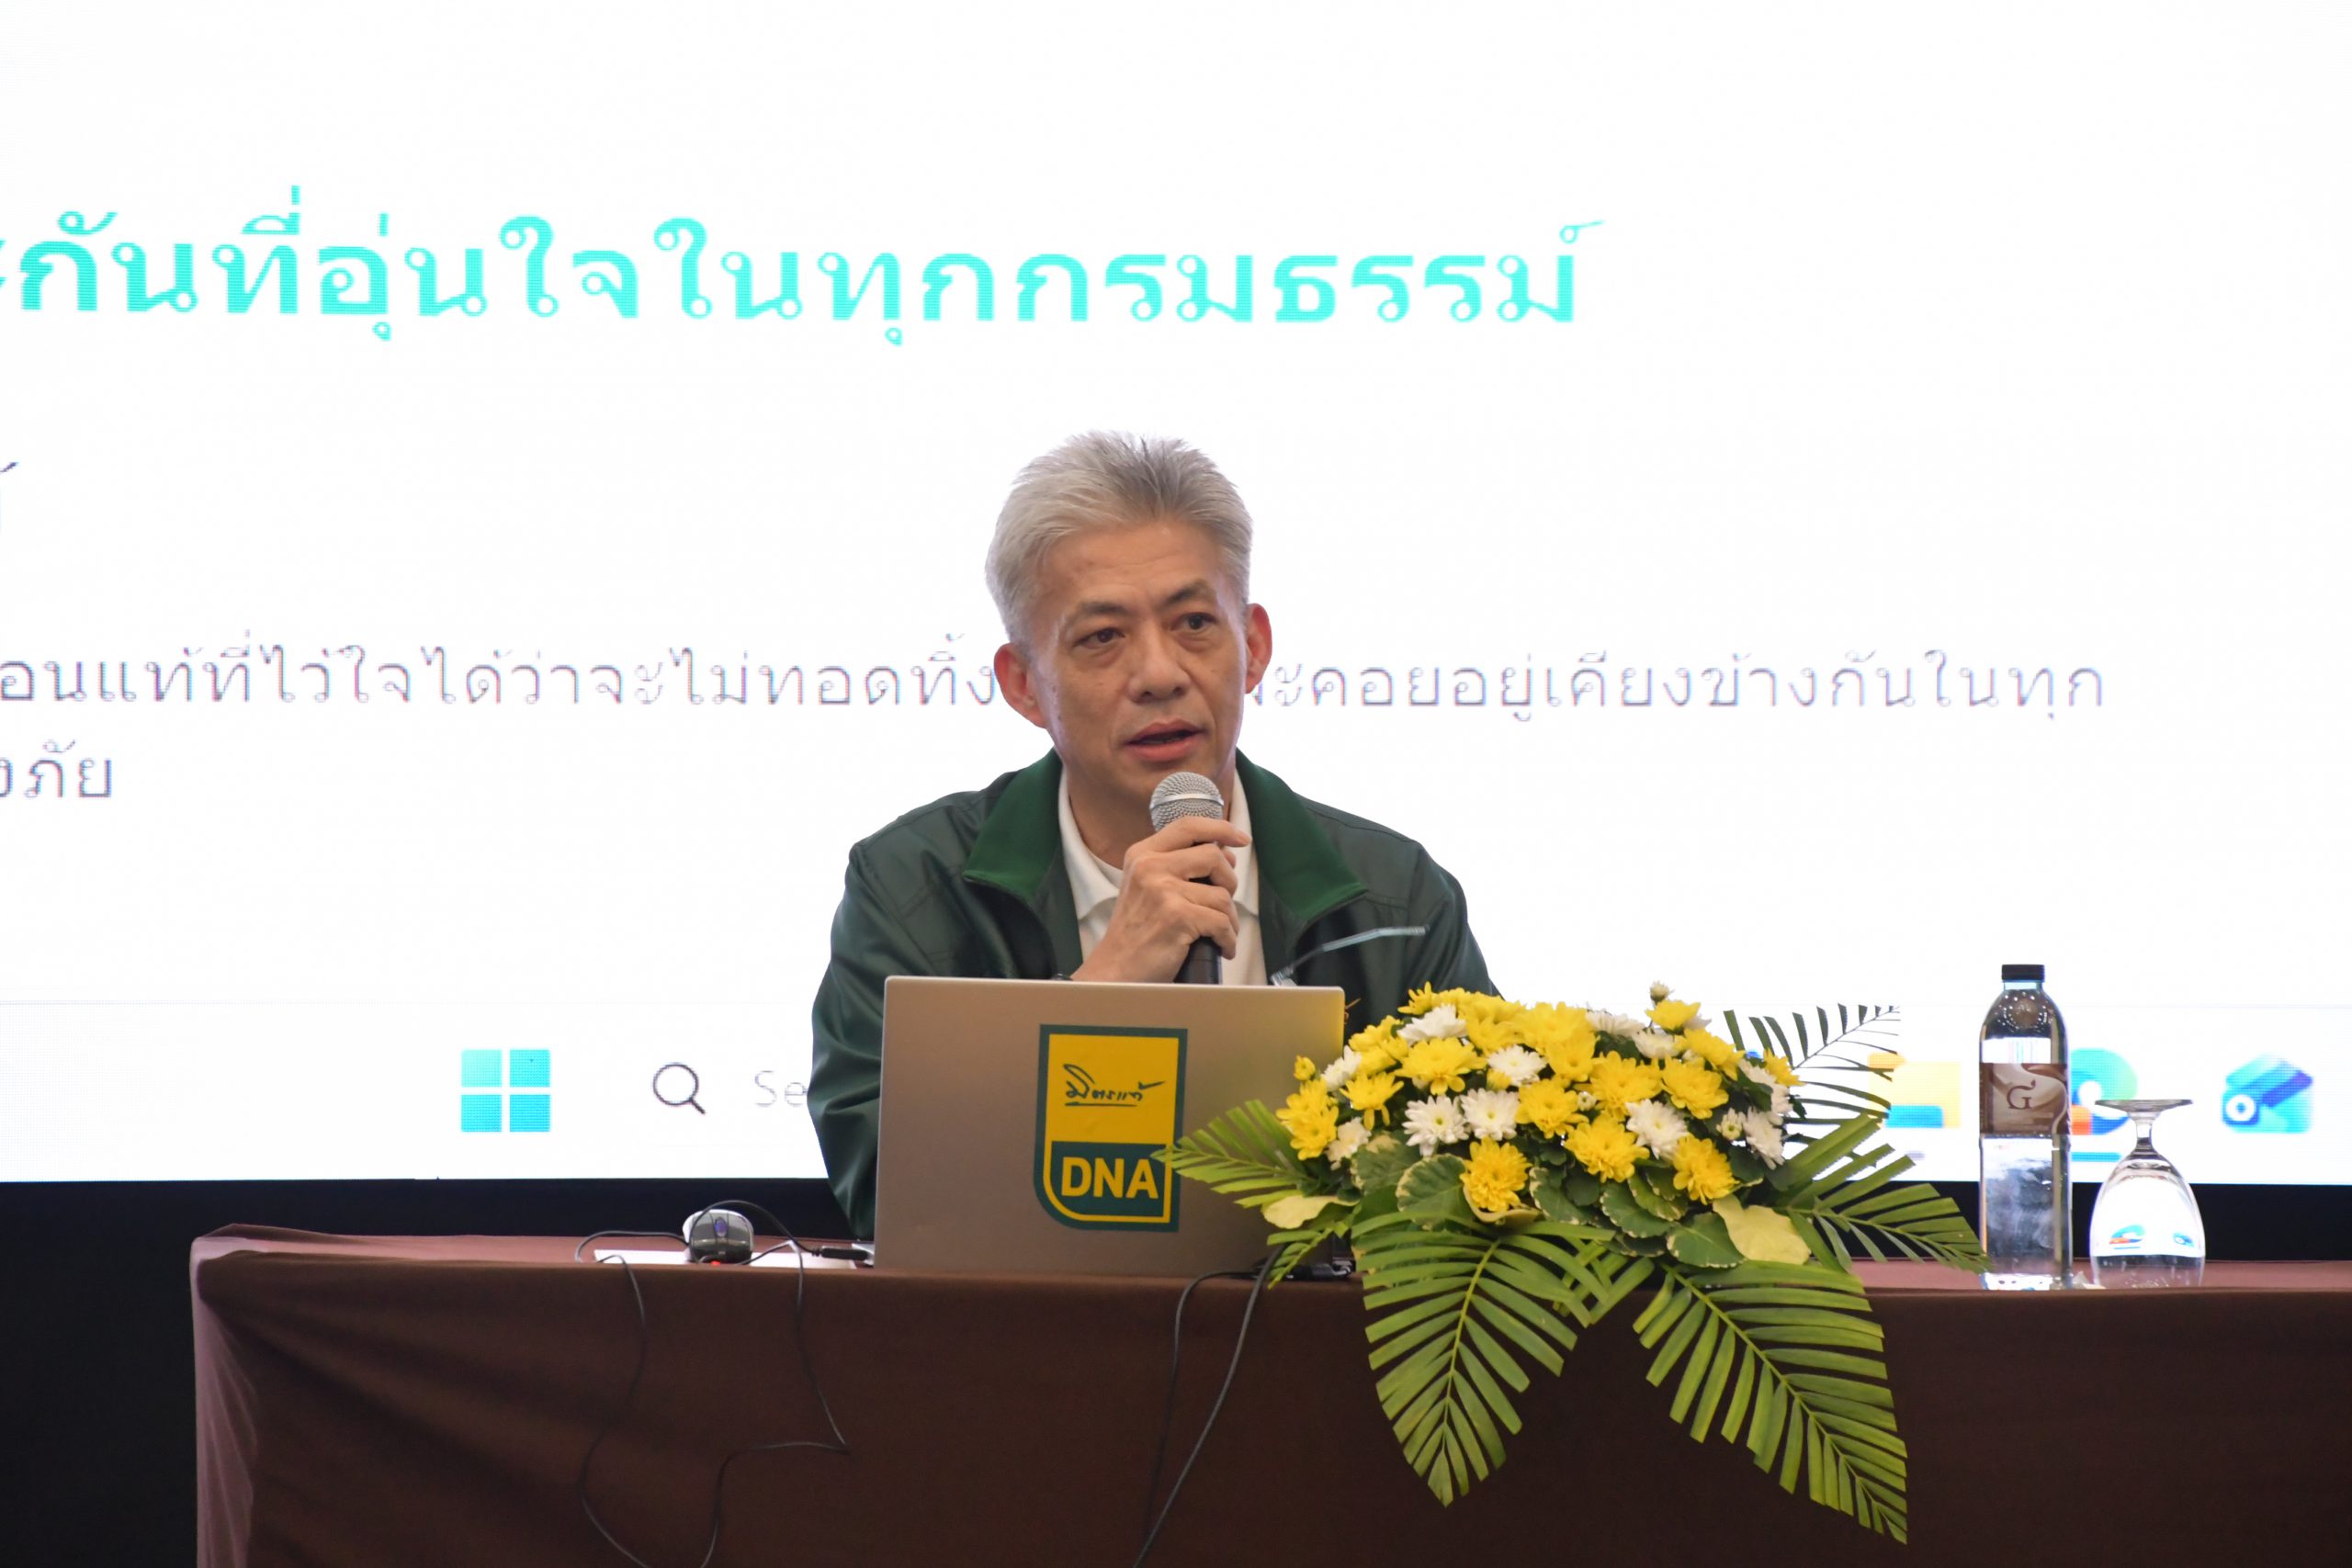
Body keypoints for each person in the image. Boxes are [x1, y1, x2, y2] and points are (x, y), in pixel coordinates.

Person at [807, 432, 1494, 1236]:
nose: (1160, 674)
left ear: (1254, 648)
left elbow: (1481, 1188)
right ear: (1024, 684)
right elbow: (886, 1191)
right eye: (1103, 636)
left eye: (1194, 622)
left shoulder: (1397, 898)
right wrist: (1103, 988)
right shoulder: (913, 888)